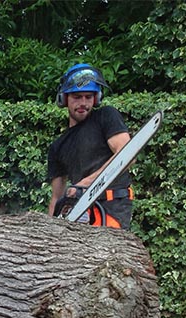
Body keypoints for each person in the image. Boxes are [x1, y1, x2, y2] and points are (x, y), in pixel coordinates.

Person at [46, 63, 133, 229]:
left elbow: (127, 155)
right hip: (80, 213)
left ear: (96, 97)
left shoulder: (105, 116)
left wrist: (86, 183)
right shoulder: (58, 146)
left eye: (88, 97)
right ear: (64, 98)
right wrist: (50, 231)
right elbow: (56, 198)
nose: (83, 102)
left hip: (112, 207)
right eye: (77, 97)